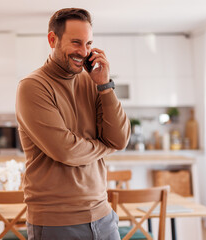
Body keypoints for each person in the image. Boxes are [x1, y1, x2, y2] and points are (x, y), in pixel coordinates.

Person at [15, 7, 130, 240]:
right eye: (76, 42)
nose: (84, 51)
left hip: (103, 217)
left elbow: (120, 139)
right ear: (52, 39)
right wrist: (105, 147)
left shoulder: (94, 83)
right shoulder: (32, 86)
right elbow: (66, 150)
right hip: (56, 222)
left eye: (88, 44)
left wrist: (105, 86)